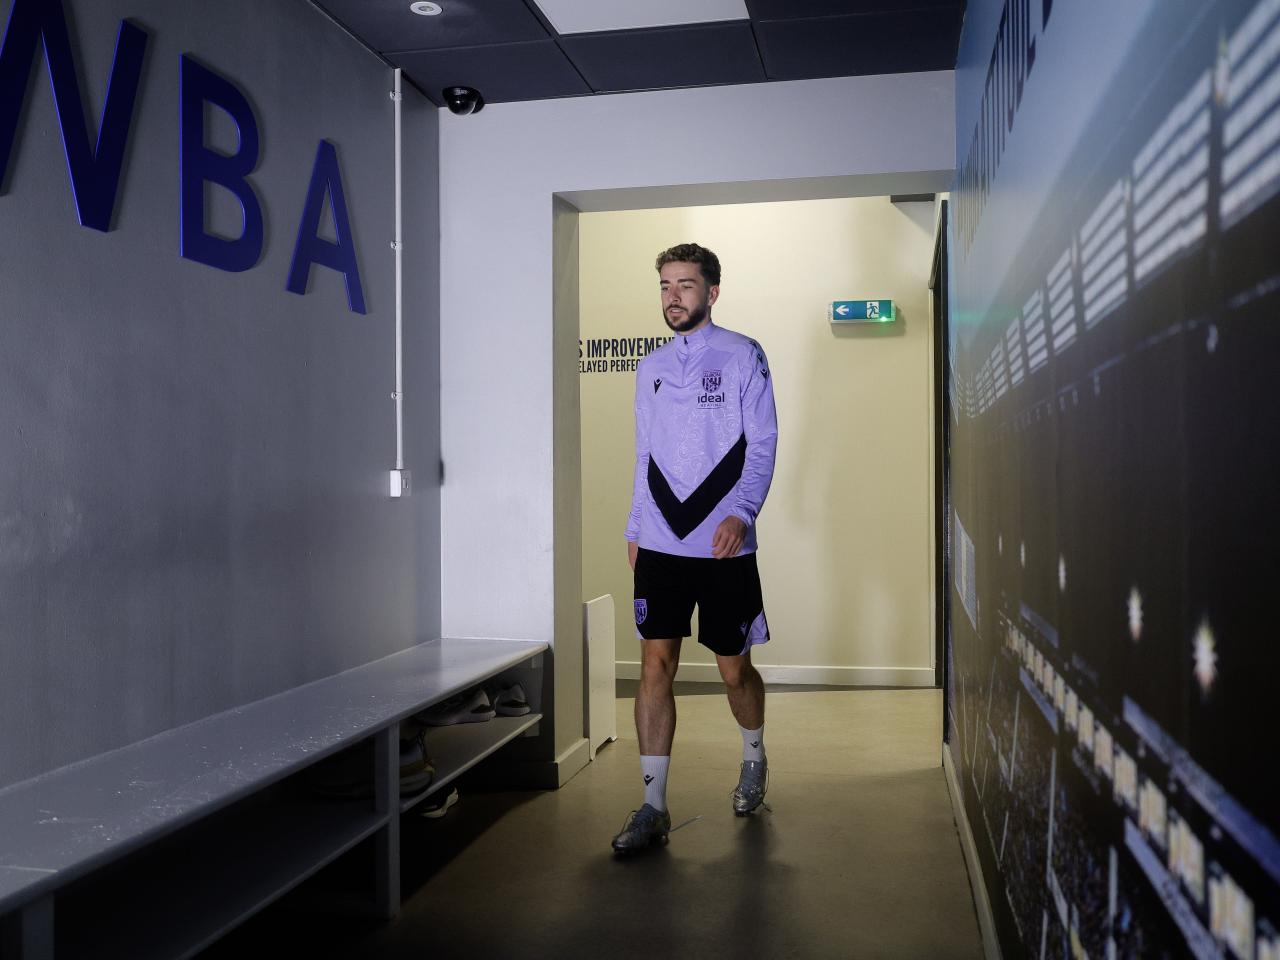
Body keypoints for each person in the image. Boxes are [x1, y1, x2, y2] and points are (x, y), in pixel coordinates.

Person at [611, 243, 778, 854]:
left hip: (721, 544)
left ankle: (754, 757)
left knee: (734, 672)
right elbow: (643, 453)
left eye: (685, 285)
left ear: (711, 292)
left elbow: (762, 445)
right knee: (656, 665)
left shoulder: (744, 355)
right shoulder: (649, 365)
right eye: (664, 286)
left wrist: (742, 512)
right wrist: (635, 524)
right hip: (658, 542)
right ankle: (653, 806)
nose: (672, 296)